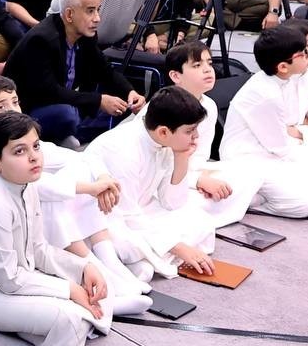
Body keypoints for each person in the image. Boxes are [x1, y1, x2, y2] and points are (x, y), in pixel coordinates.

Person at [0, 112, 123, 346]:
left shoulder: (26, 184)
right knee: (71, 318)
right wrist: (69, 290)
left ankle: (33, 321)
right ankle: (37, 323)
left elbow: (39, 249)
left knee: (95, 287)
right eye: (19, 151)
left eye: (36, 146)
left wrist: (83, 268)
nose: (34, 156)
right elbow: (8, 279)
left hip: (15, 277)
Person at [80, 86, 251, 278]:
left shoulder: (163, 140)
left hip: (142, 209)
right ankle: (142, 261)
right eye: (190, 131)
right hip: (107, 216)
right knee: (126, 243)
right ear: (163, 132)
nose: (196, 137)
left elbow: (172, 203)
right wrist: (179, 247)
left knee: (201, 222)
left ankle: (149, 260)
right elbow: (125, 214)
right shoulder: (123, 151)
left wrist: (181, 158)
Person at [214, 26, 308, 217]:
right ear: (283, 67)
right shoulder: (266, 94)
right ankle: (252, 201)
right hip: (250, 159)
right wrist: (304, 133)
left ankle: (255, 195)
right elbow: (280, 147)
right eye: (302, 53)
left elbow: (305, 126)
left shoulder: (285, 79)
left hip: (279, 150)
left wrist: (299, 132)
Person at [6, 0, 141, 144]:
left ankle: (72, 134)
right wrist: (98, 100)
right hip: (29, 108)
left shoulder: (86, 34)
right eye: (90, 11)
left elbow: (104, 70)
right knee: (67, 115)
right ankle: (70, 134)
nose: (97, 18)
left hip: (62, 100)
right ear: (69, 14)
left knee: (122, 105)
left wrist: (130, 91)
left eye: (98, 10)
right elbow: (48, 91)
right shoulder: (42, 39)